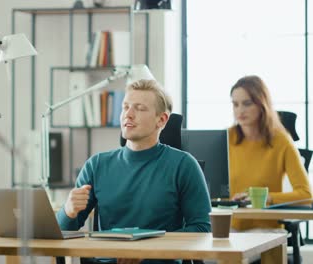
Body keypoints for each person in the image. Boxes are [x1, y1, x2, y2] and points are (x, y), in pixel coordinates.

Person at [56, 79, 211, 264]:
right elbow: (61, 232)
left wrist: (147, 249)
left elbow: (202, 229)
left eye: (139, 108)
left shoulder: (184, 165)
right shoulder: (97, 164)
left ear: (161, 120)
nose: (128, 114)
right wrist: (68, 211)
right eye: (125, 107)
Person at [229, 75, 312, 231]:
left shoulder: (281, 141)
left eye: (247, 104)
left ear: (262, 104)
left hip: (266, 229)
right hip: (230, 227)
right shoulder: (226, 138)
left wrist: (269, 198)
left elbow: (306, 195)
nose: (240, 110)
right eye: (235, 104)